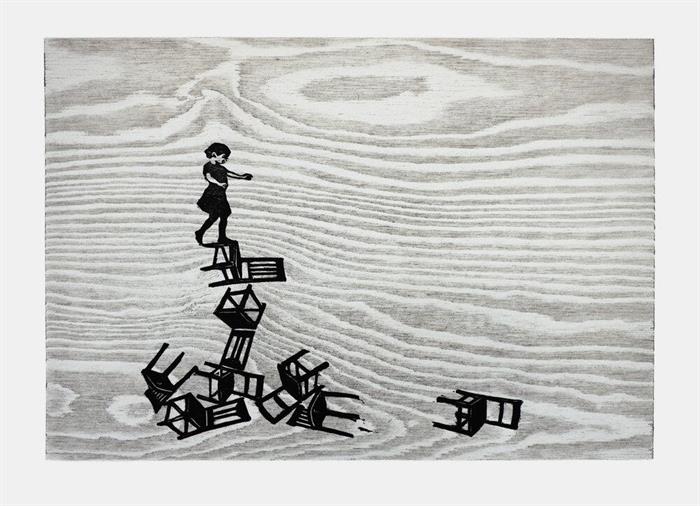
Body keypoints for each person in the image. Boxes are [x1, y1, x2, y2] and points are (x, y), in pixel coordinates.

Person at [195, 142, 252, 245]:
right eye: (224, 157)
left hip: (221, 196)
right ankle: (200, 232)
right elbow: (208, 177)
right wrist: (218, 183)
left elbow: (229, 173)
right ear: (214, 154)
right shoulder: (208, 166)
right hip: (211, 196)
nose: (225, 159)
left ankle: (222, 237)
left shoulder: (221, 168)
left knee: (225, 214)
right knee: (214, 216)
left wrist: (242, 177)